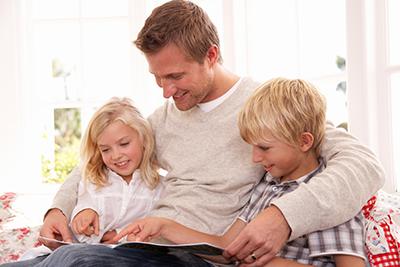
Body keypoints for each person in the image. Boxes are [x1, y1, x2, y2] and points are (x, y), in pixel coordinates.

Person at [3, 0, 383, 266]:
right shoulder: (164, 119)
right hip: (140, 248)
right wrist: (60, 207)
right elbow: (103, 156)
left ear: (212, 56)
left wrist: (284, 216)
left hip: (194, 257)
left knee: (74, 260)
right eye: (157, 78)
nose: (166, 91)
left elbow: (364, 165)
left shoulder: (266, 109)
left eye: (175, 76)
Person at [114, 77, 367, 267]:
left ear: (304, 142)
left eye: (264, 148)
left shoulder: (330, 197)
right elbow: (227, 247)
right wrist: (163, 226)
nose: (256, 158)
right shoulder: (268, 185)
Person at [6, 97, 164, 264]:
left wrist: (118, 234)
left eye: (124, 144)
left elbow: (155, 230)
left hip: (110, 257)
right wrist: (83, 215)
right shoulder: (95, 178)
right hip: (69, 251)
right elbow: (83, 209)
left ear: (144, 140)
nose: (116, 155)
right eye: (106, 149)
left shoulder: (158, 188)